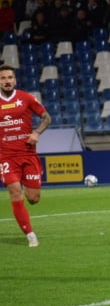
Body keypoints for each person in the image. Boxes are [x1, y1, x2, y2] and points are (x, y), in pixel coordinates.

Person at [0, 65, 50, 247]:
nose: (6, 81)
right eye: (3, 78)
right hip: (5, 156)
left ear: (15, 80)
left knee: (33, 198)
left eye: (9, 77)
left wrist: (36, 133)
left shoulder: (26, 98)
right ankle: (30, 235)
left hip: (28, 154)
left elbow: (46, 117)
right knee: (14, 191)